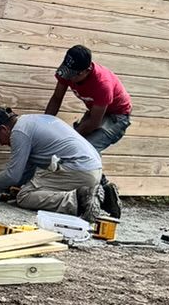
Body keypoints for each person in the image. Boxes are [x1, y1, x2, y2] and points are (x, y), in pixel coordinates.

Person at [0, 107, 106, 220]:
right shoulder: (33, 121)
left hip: (78, 170)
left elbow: (12, 175)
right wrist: (6, 186)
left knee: (24, 196)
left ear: (3, 129)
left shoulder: (19, 132)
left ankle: (80, 199)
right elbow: (25, 172)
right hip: (93, 169)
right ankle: (102, 195)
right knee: (32, 189)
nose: (2, 144)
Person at [44, 44, 128, 217]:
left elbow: (96, 123)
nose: (70, 79)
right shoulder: (68, 72)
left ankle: (103, 193)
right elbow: (56, 98)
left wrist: (70, 137)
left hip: (117, 116)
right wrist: (45, 124)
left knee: (87, 148)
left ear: (87, 70)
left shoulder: (102, 83)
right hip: (95, 112)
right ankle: (103, 190)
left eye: (75, 75)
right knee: (77, 147)